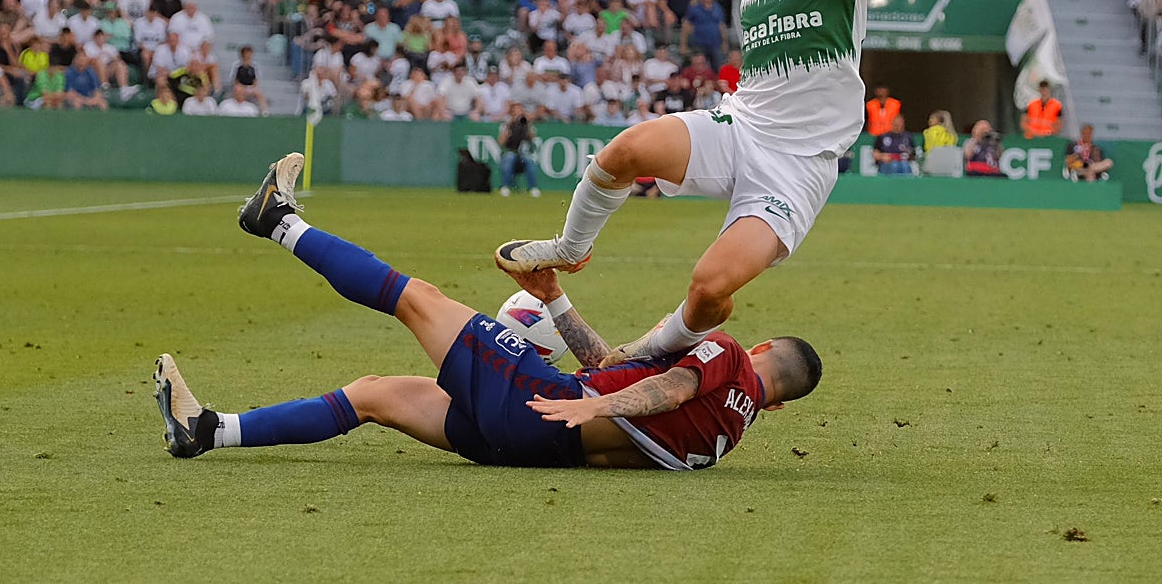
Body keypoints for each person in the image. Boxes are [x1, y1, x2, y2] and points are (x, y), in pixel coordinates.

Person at [495, 0, 930, 362]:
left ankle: (644, 354)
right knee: (624, 151)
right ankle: (570, 249)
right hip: (741, 124)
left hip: (796, 165)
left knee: (709, 288)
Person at [153, 153, 822, 470]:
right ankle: (208, 430)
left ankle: (276, 220)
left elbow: (664, 387)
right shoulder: (724, 436)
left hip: (543, 406)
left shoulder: (726, 356)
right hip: (529, 447)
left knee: (417, 298)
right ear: (778, 406)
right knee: (375, 395)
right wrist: (554, 298)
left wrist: (593, 404)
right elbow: (613, 365)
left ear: (762, 348)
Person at [498, 102, 541, 198]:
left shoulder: (527, 125)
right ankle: (505, 187)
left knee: (529, 160)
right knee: (510, 157)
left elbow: (533, 138)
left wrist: (527, 123)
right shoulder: (506, 125)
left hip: (524, 154)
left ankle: (533, 188)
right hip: (510, 152)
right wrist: (510, 125)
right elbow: (501, 142)